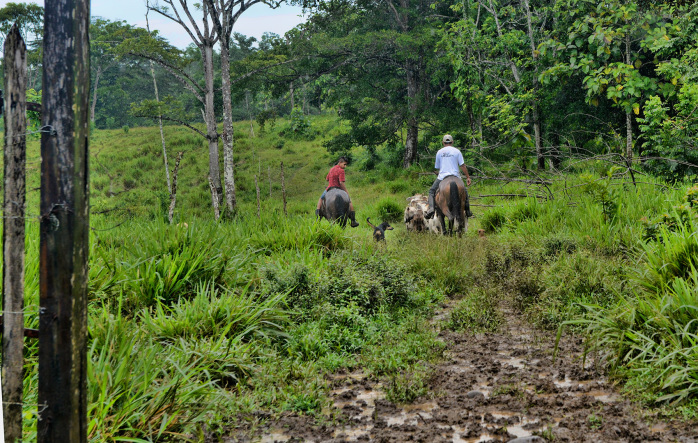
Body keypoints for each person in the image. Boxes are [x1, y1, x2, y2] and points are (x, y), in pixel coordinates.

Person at [424, 134, 473, 219]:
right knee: (464, 190)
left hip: (442, 176)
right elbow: (462, 165)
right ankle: (468, 210)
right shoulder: (457, 151)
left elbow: (438, 167)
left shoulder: (439, 152)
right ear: (452, 142)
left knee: (432, 191)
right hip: (456, 176)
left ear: (443, 142)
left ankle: (431, 209)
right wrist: (468, 177)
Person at [316, 156, 360, 227]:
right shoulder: (341, 171)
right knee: (349, 201)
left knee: (321, 199)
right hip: (338, 188)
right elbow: (341, 183)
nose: (345, 166)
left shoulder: (331, 169)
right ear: (340, 162)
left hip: (329, 188)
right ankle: (353, 220)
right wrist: (346, 192)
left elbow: (327, 179)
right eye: (344, 164)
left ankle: (317, 219)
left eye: (346, 165)